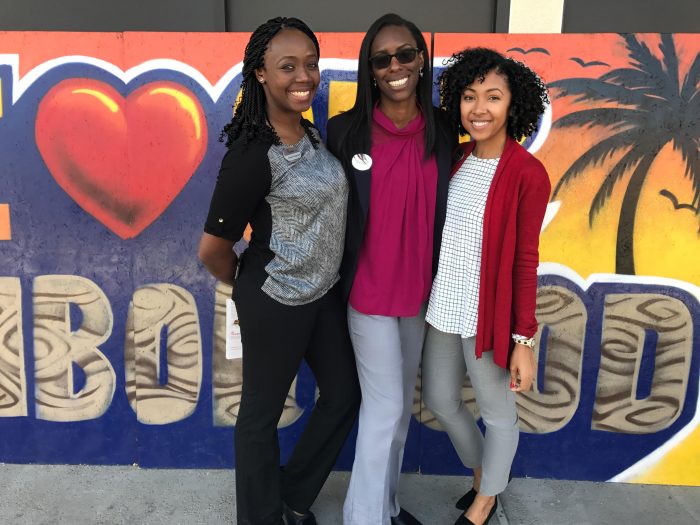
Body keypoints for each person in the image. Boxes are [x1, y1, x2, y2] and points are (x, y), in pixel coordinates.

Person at [198, 17, 360, 525]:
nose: (303, 76)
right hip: (275, 300)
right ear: (261, 74)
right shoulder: (252, 154)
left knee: (344, 396)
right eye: (286, 66)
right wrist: (250, 286)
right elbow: (212, 250)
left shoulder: (309, 132)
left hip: (322, 294)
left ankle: (289, 497)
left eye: (310, 64)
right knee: (260, 417)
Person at [325, 13, 457, 525]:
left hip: (420, 295)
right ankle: (364, 518)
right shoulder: (344, 133)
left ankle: (386, 506)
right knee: (382, 411)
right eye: (382, 59)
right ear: (370, 70)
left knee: (399, 412)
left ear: (421, 60)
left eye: (405, 54)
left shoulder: (445, 130)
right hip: (369, 293)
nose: (395, 66)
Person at [421, 48, 551, 525]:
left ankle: (485, 500)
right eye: (470, 96)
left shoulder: (526, 174)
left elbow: (524, 260)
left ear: (512, 105)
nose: (479, 109)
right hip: (443, 307)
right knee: (440, 400)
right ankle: (483, 473)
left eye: (493, 97)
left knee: (498, 414)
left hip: (488, 316)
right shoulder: (455, 159)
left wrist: (523, 339)